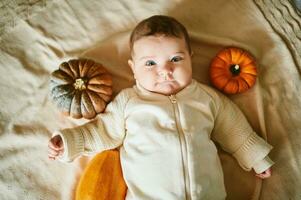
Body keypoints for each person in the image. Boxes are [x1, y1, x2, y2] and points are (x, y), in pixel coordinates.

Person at [48, 15, 274, 199]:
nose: (165, 70)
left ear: (190, 59)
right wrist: (69, 142)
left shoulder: (205, 98)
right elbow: (101, 130)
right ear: (133, 69)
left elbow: (233, 128)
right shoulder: (129, 102)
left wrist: (255, 156)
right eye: (150, 63)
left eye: (176, 59)